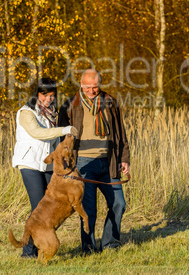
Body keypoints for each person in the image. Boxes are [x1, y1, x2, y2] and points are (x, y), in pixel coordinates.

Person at [58, 69, 130, 254]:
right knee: (89, 209)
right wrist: (66, 163)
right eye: (87, 87)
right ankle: (88, 247)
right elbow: (61, 138)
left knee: (118, 203)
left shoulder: (110, 102)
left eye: (95, 86)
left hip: (109, 162)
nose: (91, 90)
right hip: (82, 163)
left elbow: (120, 132)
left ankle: (110, 243)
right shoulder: (69, 105)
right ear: (81, 84)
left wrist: (124, 159)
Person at [12, 77, 78, 258]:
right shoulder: (26, 112)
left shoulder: (51, 113)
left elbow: (55, 140)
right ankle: (29, 252)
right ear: (37, 93)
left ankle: (42, 244)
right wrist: (64, 129)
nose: (48, 98)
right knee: (38, 207)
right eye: (44, 94)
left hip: (48, 165)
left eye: (52, 95)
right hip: (30, 163)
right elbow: (37, 133)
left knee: (52, 207)